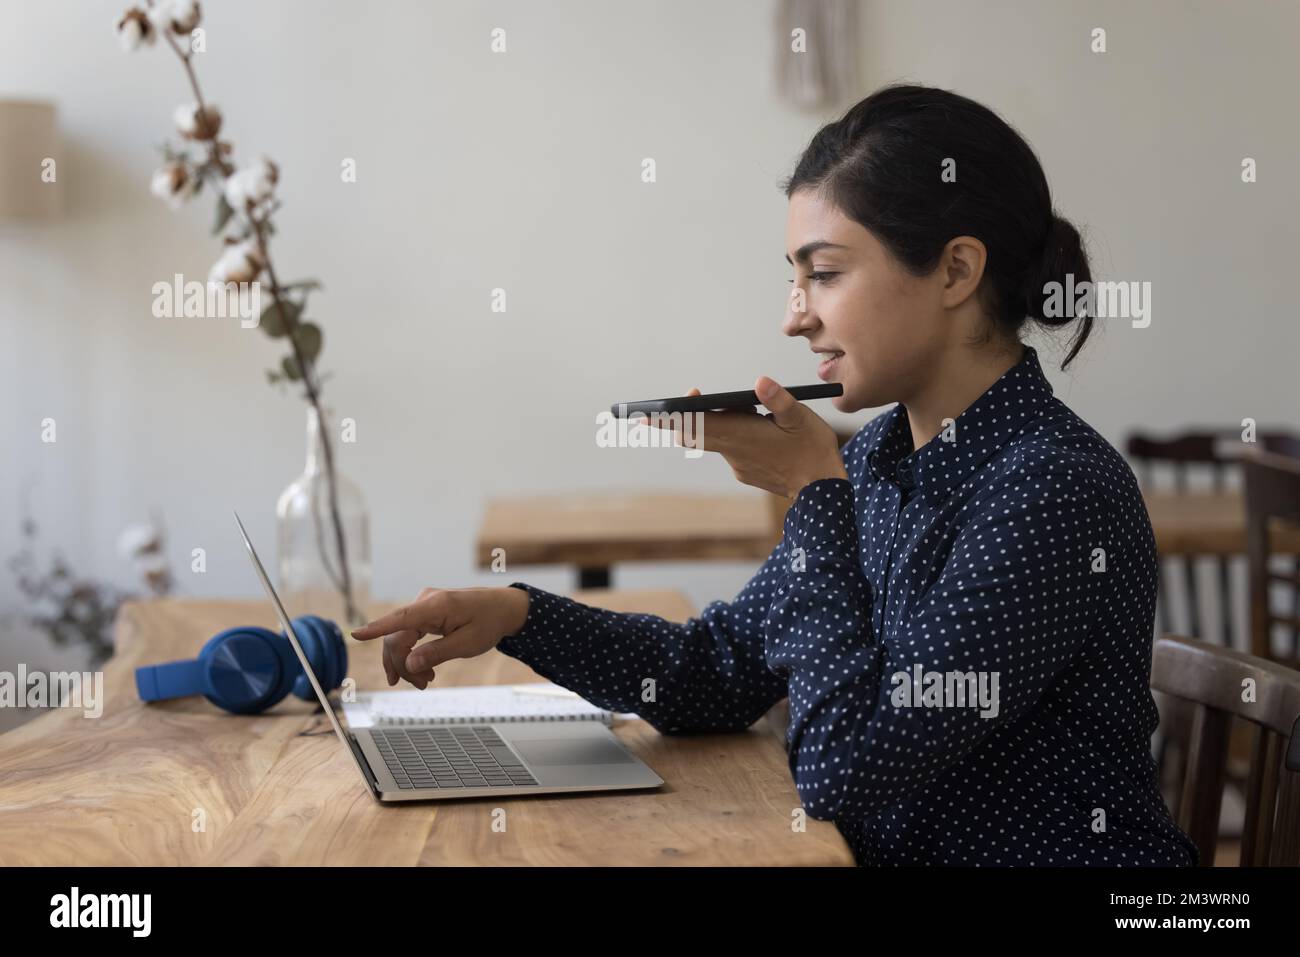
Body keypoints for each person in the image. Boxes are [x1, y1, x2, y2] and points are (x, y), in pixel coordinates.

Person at [352, 84, 1197, 867]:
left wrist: (813, 494)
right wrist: (517, 614)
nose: (795, 317)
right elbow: (716, 675)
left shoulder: (1052, 489)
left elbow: (848, 766)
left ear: (955, 270)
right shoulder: (878, 457)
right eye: (794, 279)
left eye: (823, 274)